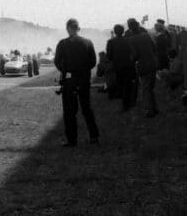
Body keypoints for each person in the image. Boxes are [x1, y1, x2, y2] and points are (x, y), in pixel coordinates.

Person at [54, 18, 100, 147]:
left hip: (69, 80)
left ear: (68, 28)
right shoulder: (88, 42)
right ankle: (94, 136)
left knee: (69, 111)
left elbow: (57, 62)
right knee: (87, 108)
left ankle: (72, 140)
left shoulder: (62, 43)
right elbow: (93, 62)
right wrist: (83, 70)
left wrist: (65, 70)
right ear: (78, 28)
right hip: (84, 79)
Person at [128, 18, 160, 117]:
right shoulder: (146, 35)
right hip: (152, 64)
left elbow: (134, 55)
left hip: (143, 66)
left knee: (146, 89)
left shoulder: (131, 40)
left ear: (130, 29)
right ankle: (154, 109)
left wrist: (131, 59)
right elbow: (154, 47)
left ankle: (150, 112)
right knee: (150, 88)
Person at [106, 24, 136, 111]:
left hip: (118, 66)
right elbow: (133, 53)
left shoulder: (110, 42)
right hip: (129, 65)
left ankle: (125, 104)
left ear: (115, 32)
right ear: (123, 31)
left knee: (121, 85)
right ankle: (130, 102)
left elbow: (109, 56)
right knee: (129, 84)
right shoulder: (129, 40)